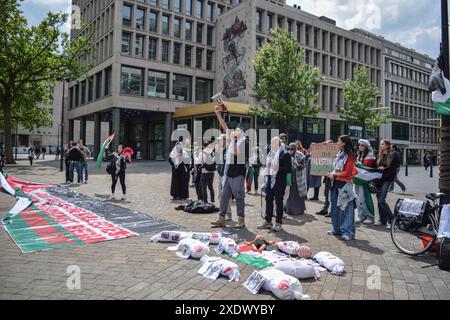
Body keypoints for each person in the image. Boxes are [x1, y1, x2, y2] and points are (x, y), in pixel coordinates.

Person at [211, 105, 248, 229]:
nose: (234, 131)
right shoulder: (233, 140)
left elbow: (237, 153)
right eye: (235, 130)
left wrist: (235, 141)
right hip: (228, 173)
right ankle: (221, 218)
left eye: (237, 130)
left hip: (238, 174)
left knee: (239, 196)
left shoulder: (245, 142)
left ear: (242, 132)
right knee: (224, 196)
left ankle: (241, 219)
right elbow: (224, 126)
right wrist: (218, 114)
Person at [327, 135, 357, 241]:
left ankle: (348, 233)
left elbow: (347, 172)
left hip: (345, 185)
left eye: (339, 141)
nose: (337, 143)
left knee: (347, 210)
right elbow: (337, 168)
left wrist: (334, 174)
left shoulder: (350, 155)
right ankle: (336, 229)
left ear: (344, 143)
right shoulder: (340, 153)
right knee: (334, 208)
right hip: (335, 183)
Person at [258, 136, 292, 232]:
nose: (271, 145)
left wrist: (276, 167)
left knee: (278, 202)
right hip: (270, 181)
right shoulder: (270, 154)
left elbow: (288, 169)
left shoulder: (285, 154)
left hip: (279, 181)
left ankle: (278, 223)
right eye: (271, 143)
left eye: (273, 143)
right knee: (268, 200)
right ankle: (268, 221)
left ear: (279, 144)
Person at [354, 139, 377, 225]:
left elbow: (366, 169)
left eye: (362, 145)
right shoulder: (359, 155)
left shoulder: (370, 156)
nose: (360, 146)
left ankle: (370, 217)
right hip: (357, 180)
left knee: (364, 199)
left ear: (366, 147)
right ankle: (361, 215)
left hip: (365, 182)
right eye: (359, 145)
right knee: (358, 199)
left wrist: (357, 164)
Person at [375, 139, 396, 228]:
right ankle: (382, 220)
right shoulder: (379, 155)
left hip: (386, 180)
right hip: (379, 180)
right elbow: (375, 166)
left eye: (382, 144)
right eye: (380, 144)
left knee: (381, 200)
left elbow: (393, 170)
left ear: (387, 146)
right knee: (379, 200)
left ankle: (392, 220)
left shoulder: (392, 156)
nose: (381, 146)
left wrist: (384, 169)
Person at [285, 142, 307, 215]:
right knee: (289, 193)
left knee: (297, 194)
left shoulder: (300, 155)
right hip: (289, 176)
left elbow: (303, 166)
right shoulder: (286, 154)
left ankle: (298, 210)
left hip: (298, 177)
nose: (290, 150)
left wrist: (297, 164)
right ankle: (288, 209)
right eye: (289, 148)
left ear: (295, 149)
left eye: (292, 149)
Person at [216, 134, 233, 221]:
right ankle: (223, 212)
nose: (219, 142)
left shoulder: (229, 151)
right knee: (220, 195)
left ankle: (228, 213)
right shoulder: (221, 150)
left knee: (226, 196)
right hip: (221, 175)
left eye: (220, 140)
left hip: (227, 176)